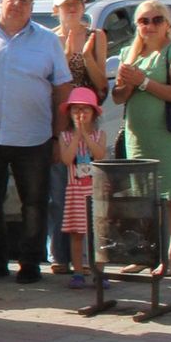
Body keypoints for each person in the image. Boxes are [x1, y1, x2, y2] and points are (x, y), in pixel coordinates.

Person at [0, 0, 71, 285]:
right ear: (1, 0)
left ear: (32, 6)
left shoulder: (47, 41)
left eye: (25, 0)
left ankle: (30, 262)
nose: (17, 4)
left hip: (34, 137)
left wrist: (57, 135)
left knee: (35, 204)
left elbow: (62, 89)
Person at [112, 0, 171, 277]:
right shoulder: (129, 53)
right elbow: (118, 97)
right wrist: (126, 83)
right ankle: (145, 255)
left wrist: (144, 82)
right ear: (136, 25)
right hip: (138, 136)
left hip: (169, 136)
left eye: (157, 20)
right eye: (143, 21)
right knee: (142, 198)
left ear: (167, 24)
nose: (150, 26)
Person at [45, 0, 107, 273]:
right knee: (59, 188)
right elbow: (51, 82)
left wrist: (85, 56)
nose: (71, 9)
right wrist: (66, 54)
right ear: (56, 9)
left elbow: (101, 83)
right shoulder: (49, 38)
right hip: (61, 119)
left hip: (89, 117)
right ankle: (59, 255)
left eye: (76, 4)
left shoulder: (96, 35)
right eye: (65, 5)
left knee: (88, 188)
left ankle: (90, 255)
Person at [55, 89, 107, 288]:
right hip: (75, 191)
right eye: (76, 109)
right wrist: (77, 135)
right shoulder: (65, 136)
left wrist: (86, 135)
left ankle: (99, 272)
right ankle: (78, 272)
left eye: (85, 109)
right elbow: (67, 159)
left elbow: (99, 155)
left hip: (96, 191)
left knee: (99, 234)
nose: (80, 114)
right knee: (76, 233)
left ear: (94, 113)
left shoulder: (100, 134)